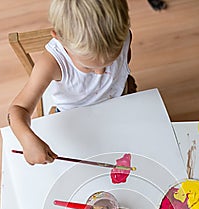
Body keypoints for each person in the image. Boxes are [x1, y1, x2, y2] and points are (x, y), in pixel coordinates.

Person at [7, 0, 137, 166]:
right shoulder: (52, 63)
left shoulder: (123, 35)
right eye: (88, 67)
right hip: (75, 117)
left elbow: (124, 65)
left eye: (110, 61)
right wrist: (27, 139)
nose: (101, 73)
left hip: (119, 100)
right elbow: (18, 109)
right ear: (60, 39)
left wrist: (124, 82)